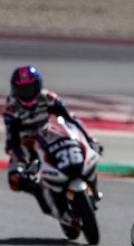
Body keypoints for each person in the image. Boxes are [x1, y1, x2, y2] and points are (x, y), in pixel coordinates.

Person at [3, 65, 101, 212]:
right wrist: (24, 161)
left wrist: (88, 139)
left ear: (38, 86)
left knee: (84, 149)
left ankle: (93, 189)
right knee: (15, 179)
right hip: (26, 143)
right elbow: (12, 140)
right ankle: (43, 196)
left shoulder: (48, 98)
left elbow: (70, 120)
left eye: (29, 89)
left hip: (49, 135)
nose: (26, 94)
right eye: (21, 90)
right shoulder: (11, 107)